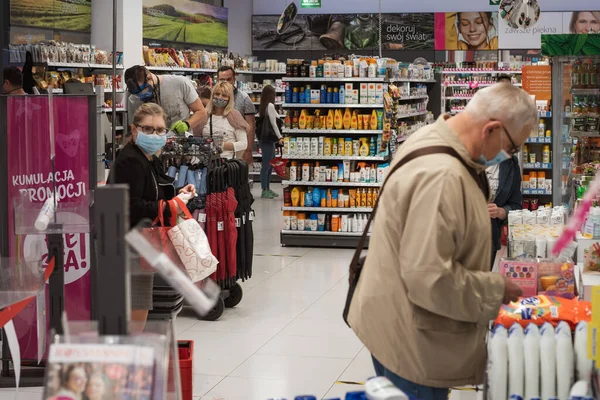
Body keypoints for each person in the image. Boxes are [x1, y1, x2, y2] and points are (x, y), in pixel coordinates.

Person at [347, 83, 536, 399]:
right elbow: (429, 279)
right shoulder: (443, 177)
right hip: (413, 345)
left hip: (399, 318)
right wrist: (495, 289)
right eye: (513, 148)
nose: (510, 156)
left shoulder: (436, 137)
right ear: (491, 130)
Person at [109, 103, 196, 332]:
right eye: (148, 129)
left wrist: (178, 194)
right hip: (131, 242)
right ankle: (130, 354)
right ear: (134, 129)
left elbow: (156, 189)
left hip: (143, 240)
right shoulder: (130, 160)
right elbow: (133, 206)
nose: (155, 135)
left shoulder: (148, 157)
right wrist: (169, 207)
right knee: (138, 304)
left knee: (141, 302)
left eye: (160, 130)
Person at [124, 65, 207, 134]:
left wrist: (187, 124)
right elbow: (134, 129)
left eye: (143, 91)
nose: (141, 96)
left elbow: (201, 112)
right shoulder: (133, 99)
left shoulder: (180, 83)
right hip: (151, 145)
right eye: (137, 94)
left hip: (180, 143)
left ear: (149, 78)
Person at [196, 81, 248, 160]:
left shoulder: (235, 116)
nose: (219, 97)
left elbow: (243, 144)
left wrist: (221, 145)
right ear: (212, 96)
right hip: (206, 164)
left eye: (224, 95)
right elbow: (197, 138)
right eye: (217, 94)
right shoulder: (204, 115)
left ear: (229, 99)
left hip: (227, 164)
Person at [487, 154, 522, 269]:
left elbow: (515, 204)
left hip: (489, 236)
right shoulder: (465, 155)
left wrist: (499, 212)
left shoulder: (510, 163)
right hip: (461, 236)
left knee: (480, 284)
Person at [217, 66, 256, 165]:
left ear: (234, 80)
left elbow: (251, 125)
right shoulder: (214, 97)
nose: (225, 82)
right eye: (222, 79)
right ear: (217, 80)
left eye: (229, 79)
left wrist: (248, 150)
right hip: (218, 151)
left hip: (238, 149)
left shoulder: (244, 99)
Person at [257, 85, 284, 199]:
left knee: (270, 164)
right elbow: (273, 124)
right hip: (269, 139)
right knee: (267, 165)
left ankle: (267, 188)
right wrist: (280, 137)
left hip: (266, 139)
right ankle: (264, 190)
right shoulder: (270, 106)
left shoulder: (264, 107)